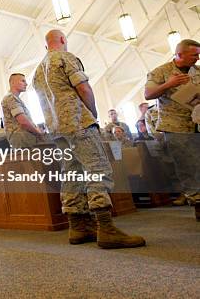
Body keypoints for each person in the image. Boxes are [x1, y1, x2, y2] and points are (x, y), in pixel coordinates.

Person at [33, 29, 145, 248]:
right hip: (78, 122)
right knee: (98, 169)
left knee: (71, 173)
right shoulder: (66, 57)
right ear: (63, 40)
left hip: (57, 129)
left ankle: (78, 227)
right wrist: (92, 113)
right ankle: (105, 227)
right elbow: (83, 88)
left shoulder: (37, 71)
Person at [145, 38, 200, 216]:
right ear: (179, 54)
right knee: (187, 166)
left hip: (197, 123)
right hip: (176, 126)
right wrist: (170, 84)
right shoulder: (161, 71)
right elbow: (148, 94)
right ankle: (198, 202)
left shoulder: (197, 71)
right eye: (194, 55)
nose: (197, 58)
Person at [1, 73, 44, 148]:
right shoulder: (11, 98)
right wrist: (38, 132)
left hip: (25, 137)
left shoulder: (15, 98)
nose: (26, 84)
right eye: (23, 81)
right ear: (13, 83)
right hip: (21, 138)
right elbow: (23, 122)